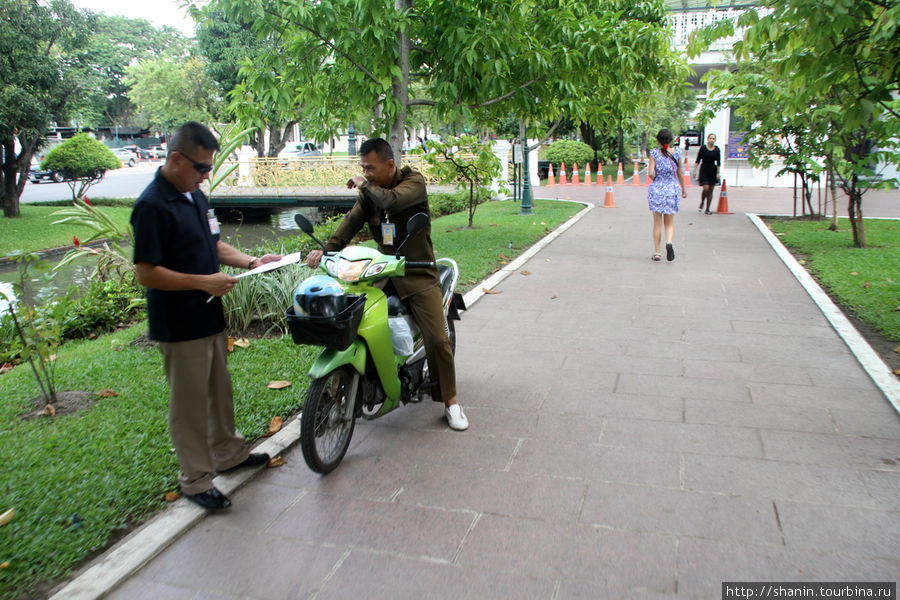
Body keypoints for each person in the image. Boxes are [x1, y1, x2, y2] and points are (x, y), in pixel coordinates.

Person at [130, 121, 282, 511]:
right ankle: (196, 481)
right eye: (200, 167)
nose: (205, 175)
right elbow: (146, 272)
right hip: (179, 325)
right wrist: (202, 283)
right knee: (190, 405)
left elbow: (214, 245)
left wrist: (252, 260)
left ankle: (228, 455)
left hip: (210, 316)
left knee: (219, 392)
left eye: (209, 169)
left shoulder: (195, 197)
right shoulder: (151, 205)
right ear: (176, 159)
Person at [305, 137, 468, 431]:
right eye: (362, 169)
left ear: (390, 165)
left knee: (437, 338)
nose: (365, 174)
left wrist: (365, 184)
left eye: (370, 168)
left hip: (418, 274)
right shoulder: (370, 194)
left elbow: (391, 201)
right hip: (381, 272)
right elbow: (351, 223)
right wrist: (326, 249)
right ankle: (343, 390)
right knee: (352, 320)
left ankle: (451, 401)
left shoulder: (413, 182)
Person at [646, 128, 686, 262]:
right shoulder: (678, 153)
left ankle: (657, 252)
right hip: (672, 189)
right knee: (669, 223)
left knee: (657, 223)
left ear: (658, 140)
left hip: (657, 189)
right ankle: (669, 242)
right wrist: (684, 188)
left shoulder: (654, 154)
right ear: (671, 140)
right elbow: (680, 173)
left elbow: (651, 173)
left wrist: (657, 177)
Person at [694, 133, 721, 214]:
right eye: (710, 138)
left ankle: (707, 209)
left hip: (712, 169)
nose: (712, 140)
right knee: (706, 188)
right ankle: (702, 202)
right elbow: (698, 160)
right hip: (704, 169)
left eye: (713, 138)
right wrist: (695, 170)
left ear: (715, 140)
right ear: (707, 139)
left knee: (711, 190)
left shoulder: (717, 149)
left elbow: (718, 162)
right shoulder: (703, 148)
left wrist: (718, 172)